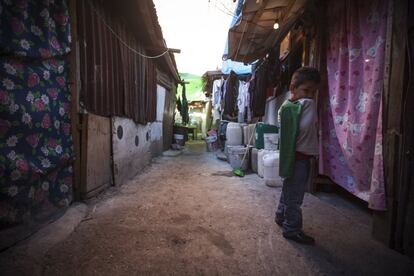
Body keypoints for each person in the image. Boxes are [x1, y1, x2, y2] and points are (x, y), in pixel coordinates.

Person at [275, 67, 321, 245]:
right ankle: (291, 229)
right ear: (293, 88)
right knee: (295, 197)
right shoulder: (306, 105)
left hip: (290, 156)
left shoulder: (286, 107)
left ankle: (280, 216)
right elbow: (306, 126)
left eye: (313, 92)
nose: (310, 95)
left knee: (288, 190)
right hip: (300, 159)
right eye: (306, 90)